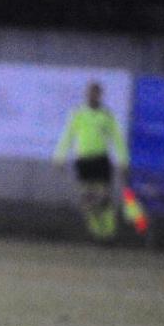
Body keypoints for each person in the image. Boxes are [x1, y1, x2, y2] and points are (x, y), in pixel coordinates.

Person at [52, 81, 129, 242]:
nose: (93, 96)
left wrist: (123, 161)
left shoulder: (107, 115)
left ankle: (109, 232)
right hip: (84, 160)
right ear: (86, 94)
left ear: (100, 95)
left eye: (96, 93)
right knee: (88, 199)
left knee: (104, 197)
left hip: (101, 159)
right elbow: (68, 136)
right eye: (90, 92)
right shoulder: (78, 114)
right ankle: (97, 233)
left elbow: (117, 139)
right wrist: (60, 157)